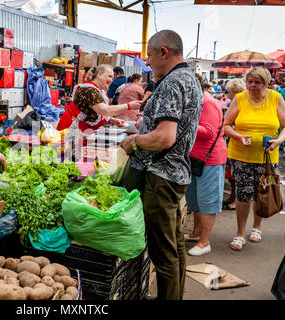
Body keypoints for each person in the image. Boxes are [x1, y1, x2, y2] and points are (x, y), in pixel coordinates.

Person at [120, 30, 203, 300]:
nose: (148, 61)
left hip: (162, 175)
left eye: (150, 54)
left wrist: (135, 141)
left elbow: (164, 137)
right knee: (175, 245)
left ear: (163, 52)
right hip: (177, 172)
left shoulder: (171, 82)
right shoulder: (189, 79)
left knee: (162, 252)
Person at [224, 67, 285, 251]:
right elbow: (227, 125)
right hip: (240, 156)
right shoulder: (240, 98)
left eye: (257, 82)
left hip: (269, 157)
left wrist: (279, 140)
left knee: (263, 192)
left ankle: (257, 228)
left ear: (266, 83)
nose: (252, 85)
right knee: (243, 195)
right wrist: (238, 136)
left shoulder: (276, 98)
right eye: (250, 81)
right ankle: (240, 233)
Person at [56, 64, 141, 160]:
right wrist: (129, 106)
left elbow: (97, 112)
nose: (111, 80)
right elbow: (104, 110)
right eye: (109, 76)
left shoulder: (98, 90)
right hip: (71, 129)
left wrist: (111, 120)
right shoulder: (89, 90)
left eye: (112, 77)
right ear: (99, 74)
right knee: (67, 159)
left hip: (82, 131)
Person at [184, 74, 227, 256]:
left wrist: (183, 122)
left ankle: (204, 242)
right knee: (195, 199)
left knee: (207, 200)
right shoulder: (198, 103)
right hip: (196, 158)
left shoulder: (208, 104)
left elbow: (208, 132)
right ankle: (196, 233)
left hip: (210, 159)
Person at [221, 78, 246, 210]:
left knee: (237, 175)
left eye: (228, 91)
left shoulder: (240, 103)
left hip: (238, 142)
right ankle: (232, 197)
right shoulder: (233, 103)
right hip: (233, 141)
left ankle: (236, 200)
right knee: (232, 174)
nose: (226, 93)